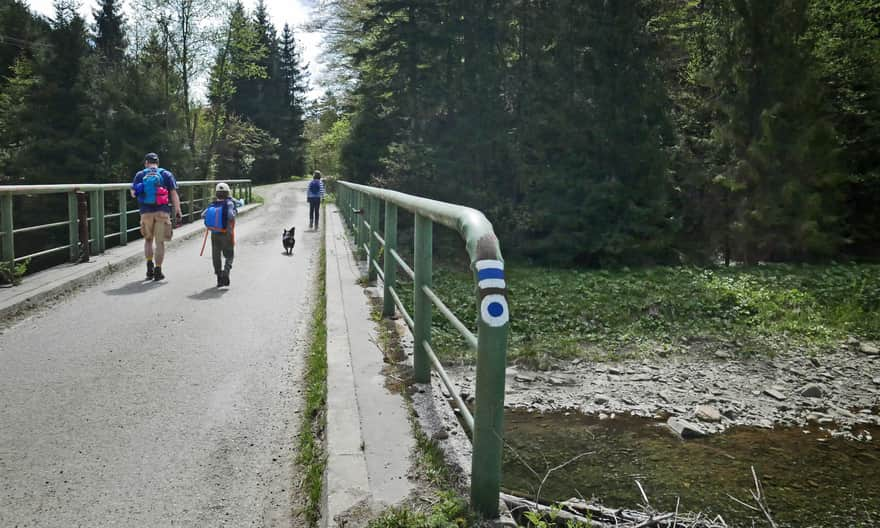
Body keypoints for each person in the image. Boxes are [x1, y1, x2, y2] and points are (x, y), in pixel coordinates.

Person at [131, 152, 182, 281]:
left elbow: (133, 193)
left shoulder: (140, 174)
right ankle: (158, 270)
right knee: (160, 242)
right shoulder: (166, 174)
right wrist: (178, 210)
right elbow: (173, 193)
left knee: (148, 240)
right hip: (162, 212)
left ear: (146, 163)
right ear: (157, 163)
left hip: (146, 212)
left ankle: (149, 266)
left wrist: (138, 189)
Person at [202, 182, 239, 287]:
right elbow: (231, 216)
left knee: (216, 256)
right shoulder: (229, 203)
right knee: (229, 255)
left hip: (214, 233)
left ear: (216, 193)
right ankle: (226, 272)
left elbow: (203, 215)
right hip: (227, 234)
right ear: (228, 193)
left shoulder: (213, 204)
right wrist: (235, 212)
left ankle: (219, 276)